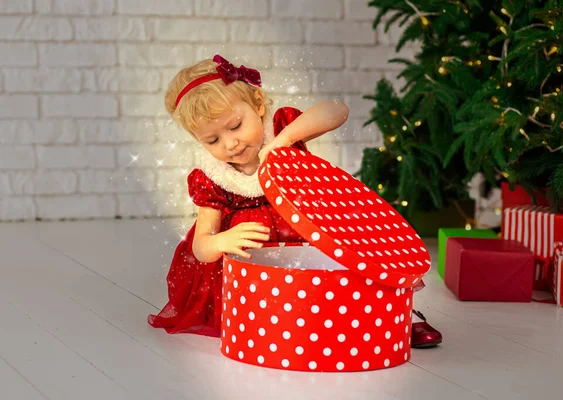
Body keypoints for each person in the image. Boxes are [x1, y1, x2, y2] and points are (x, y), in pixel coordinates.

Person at [148, 54, 442, 348]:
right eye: (212, 141)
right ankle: (282, 322)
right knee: (273, 301)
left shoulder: (281, 130)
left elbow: (337, 110)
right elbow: (201, 246)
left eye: (236, 126)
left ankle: (397, 314)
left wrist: (284, 139)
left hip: (312, 231)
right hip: (257, 269)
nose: (230, 143)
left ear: (258, 104)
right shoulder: (213, 177)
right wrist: (221, 240)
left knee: (355, 254)